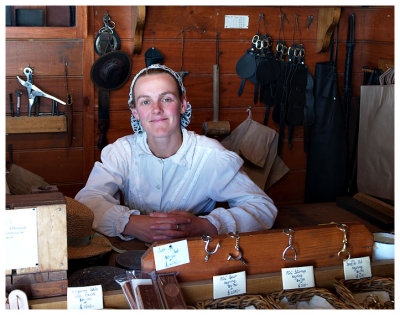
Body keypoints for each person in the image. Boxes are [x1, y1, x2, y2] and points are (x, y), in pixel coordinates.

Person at [75, 64, 278, 243]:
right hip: (133, 256)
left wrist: (207, 225)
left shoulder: (211, 156)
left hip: (196, 255)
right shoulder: (122, 152)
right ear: (135, 112)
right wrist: (129, 224)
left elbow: (262, 208)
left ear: (182, 105)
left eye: (166, 99)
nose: (156, 109)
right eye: (145, 102)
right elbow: (87, 201)